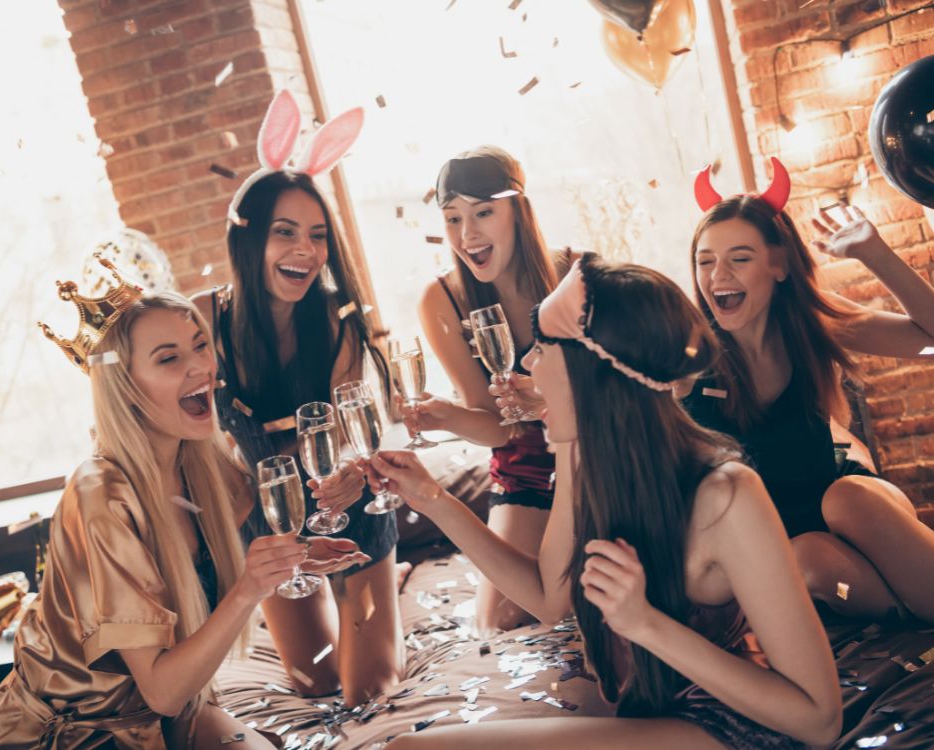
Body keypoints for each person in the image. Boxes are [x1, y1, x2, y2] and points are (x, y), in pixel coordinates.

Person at [369, 255, 841, 749]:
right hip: (649, 716)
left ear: (592, 374)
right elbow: (548, 598)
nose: (527, 365)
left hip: (732, 728)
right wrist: (434, 500)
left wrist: (644, 623)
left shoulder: (727, 494)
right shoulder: (582, 456)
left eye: (543, 350)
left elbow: (818, 721)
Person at [0, 261, 368, 748]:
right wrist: (248, 590)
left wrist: (304, 551)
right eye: (168, 359)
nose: (200, 368)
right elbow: (161, 689)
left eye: (200, 345)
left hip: (170, 715)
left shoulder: (207, 463)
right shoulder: (99, 494)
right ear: (125, 386)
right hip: (76, 736)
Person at [191, 91, 403, 706]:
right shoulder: (204, 320)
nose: (305, 252)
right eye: (285, 233)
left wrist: (345, 477)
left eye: (317, 235)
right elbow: (190, 438)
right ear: (247, 237)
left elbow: (349, 430)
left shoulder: (335, 323)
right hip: (271, 528)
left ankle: (387, 583)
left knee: (370, 691)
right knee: (317, 684)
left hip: (349, 513)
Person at [683, 158, 934, 621]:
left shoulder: (809, 323)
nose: (718, 275)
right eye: (705, 261)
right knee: (808, 559)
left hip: (848, 512)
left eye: (739, 258)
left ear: (779, 266)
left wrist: (875, 255)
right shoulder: (687, 351)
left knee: (848, 498)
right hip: (788, 557)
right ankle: (909, 610)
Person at [406, 145, 573, 632]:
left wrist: (549, 404)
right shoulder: (441, 300)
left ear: (518, 211)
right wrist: (448, 417)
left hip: (593, 457)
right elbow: (498, 429)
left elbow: (623, 397)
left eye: (483, 213)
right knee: (502, 622)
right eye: (453, 218)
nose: (467, 234)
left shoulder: (577, 275)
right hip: (526, 470)